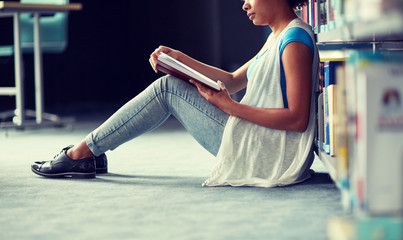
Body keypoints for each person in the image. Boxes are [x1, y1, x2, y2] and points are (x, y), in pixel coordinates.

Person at [31, 0, 319, 188]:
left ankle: (81, 153)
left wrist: (230, 108)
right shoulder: (278, 37)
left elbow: (297, 119)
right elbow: (232, 80)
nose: (244, 5)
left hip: (268, 155)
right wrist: (181, 59)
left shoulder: (295, 41)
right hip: (259, 141)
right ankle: (92, 151)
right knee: (170, 83)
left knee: (166, 89)